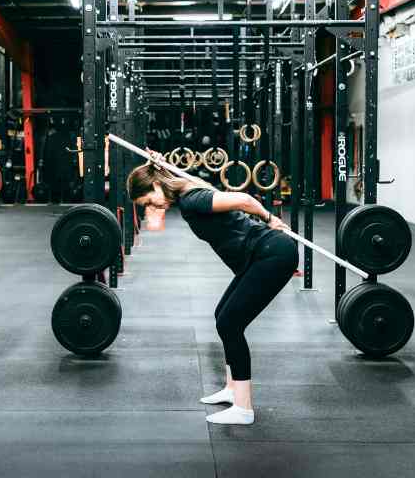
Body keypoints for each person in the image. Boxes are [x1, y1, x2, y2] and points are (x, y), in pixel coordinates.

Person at [127, 152, 298, 425]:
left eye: (149, 201)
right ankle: (233, 389)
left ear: (156, 185)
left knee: (231, 324)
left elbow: (243, 199)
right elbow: (183, 179)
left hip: (270, 253)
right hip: (261, 255)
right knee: (222, 316)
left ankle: (243, 409)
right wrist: (156, 166)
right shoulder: (188, 190)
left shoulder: (193, 199)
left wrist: (270, 218)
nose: (154, 207)